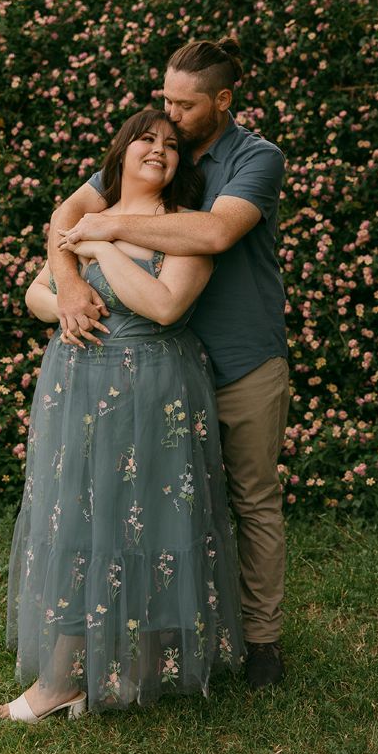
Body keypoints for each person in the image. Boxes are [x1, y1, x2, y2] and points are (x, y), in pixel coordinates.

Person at [51, 40, 289, 689]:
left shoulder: (255, 158)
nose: (172, 116)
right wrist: (69, 283)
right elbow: (66, 217)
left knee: (251, 500)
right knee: (168, 504)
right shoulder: (157, 153)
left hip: (240, 361)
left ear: (223, 101)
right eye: (166, 101)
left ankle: (261, 640)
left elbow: (213, 234)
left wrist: (112, 234)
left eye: (185, 105)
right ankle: (167, 637)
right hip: (158, 367)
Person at [0, 109, 244, 722]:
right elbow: (34, 292)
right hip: (79, 385)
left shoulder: (185, 226)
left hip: (153, 388)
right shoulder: (82, 217)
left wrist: (102, 246)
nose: (159, 148)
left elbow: (163, 305)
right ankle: (66, 679)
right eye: (146, 139)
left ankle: (133, 674)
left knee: (151, 521)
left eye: (170, 144)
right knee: (81, 518)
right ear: (121, 152)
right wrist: (66, 305)